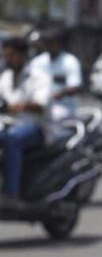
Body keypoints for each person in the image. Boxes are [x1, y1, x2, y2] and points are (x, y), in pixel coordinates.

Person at [0, 38, 52, 204]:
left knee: (12, 139)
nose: (8, 59)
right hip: (6, 124)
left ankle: (11, 195)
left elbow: (41, 105)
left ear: (22, 55)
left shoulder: (39, 77)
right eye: (5, 56)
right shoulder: (6, 77)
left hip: (34, 127)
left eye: (11, 55)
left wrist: (18, 106)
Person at [29, 26, 82, 122]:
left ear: (59, 43)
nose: (49, 45)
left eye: (52, 42)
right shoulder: (37, 62)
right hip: (40, 106)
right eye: (47, 42)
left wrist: (59, 94)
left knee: (55, 116)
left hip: (63, 107)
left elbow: (75, 87)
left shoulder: (70, 61)